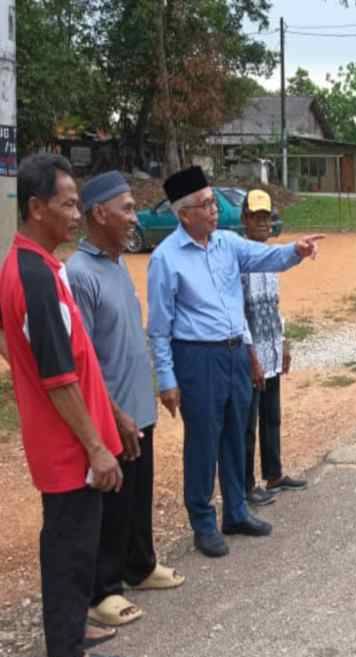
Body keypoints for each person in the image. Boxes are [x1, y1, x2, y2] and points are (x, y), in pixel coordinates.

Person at [146, 166, 323, 558]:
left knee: (235, 434)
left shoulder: (227, 244)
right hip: (197, 358)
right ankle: (203, 522)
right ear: (184, 213)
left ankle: (237, 511)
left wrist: (297, 250)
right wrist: (167, 379)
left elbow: (268, 257)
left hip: (235, 353)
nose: (214, 210)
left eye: (213, 202)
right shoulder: (165, 259)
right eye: (206, 204)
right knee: (203, 442)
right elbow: (159, 328)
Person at [0, 153, 132, 657]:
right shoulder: (32, 275)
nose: (78, 214)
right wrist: (96, 448)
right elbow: (57, 376)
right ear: (37, 208)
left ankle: (72, 628)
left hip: (69, 438)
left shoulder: (33, 265)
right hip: (68, 449)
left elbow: (28, 349)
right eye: (69, 204)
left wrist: (112, 414)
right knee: (69, 550)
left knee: (74, 544)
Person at [67, 171, 186, 630]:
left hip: (137, 406)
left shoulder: (117, 263)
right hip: (108, 412)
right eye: (128, 208)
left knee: (138, 492)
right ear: (100, 213)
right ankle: (103, 589)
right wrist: (111, 414)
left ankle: (140, 564)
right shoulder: (80, 274)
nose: (135, 218)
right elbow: (82, 358)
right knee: (111, 503)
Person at [241, 190, 307, 508]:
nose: (263, 223)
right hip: (250, 356)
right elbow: (237, 314)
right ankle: (246, 484)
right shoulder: (240, 261)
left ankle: (274, 473)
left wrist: (284, 343)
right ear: (245, 220)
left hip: (270, 350)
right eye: (257, 217)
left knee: (272, 416)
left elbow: (275, 306)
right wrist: (250, 355)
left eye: (267, 216)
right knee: (247, 423)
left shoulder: (270, 260)